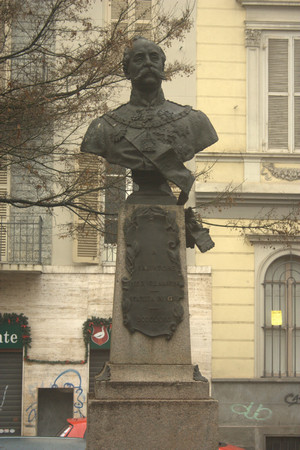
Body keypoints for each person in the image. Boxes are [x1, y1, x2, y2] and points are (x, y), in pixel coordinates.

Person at [81, 37, 218, 251]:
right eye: (139, 58)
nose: (148, 63)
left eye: (154, 57)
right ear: (127, 72)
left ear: (163, 67)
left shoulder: (194, 121)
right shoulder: (104, 128)